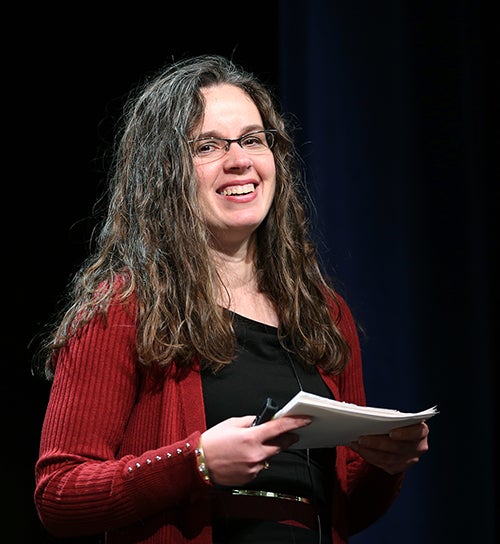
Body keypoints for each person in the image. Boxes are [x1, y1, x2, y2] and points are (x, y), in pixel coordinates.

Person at [33, 54, 430, 544]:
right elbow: (60, 493)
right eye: (208, 146)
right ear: (164, 173)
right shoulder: (123, 307)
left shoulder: (323, 313)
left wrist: (384, 465)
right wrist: (195, 462)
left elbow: (343, 506)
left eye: (252, 139)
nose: (240, 159)